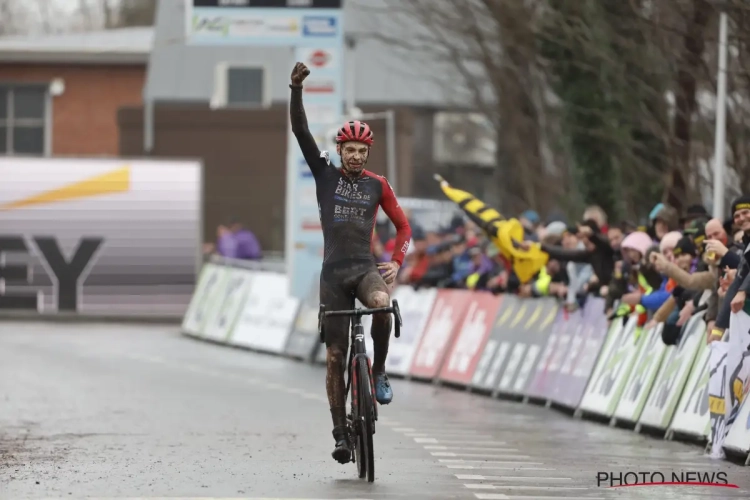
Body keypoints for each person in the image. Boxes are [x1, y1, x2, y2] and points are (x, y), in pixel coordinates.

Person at [289, 62, 412, 464]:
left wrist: (395, 260)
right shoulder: (325, 174)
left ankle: (377, 371)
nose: (357, 156)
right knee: (336, 357)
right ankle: (341, 433)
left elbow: (404, 226)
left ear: (367, 153)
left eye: (363, 151)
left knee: (382, 306)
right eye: (350, 150)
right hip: (333, 275)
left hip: (363, 268)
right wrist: (295, 90)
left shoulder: (379, 185)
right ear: (340, 151)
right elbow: (301, 133)